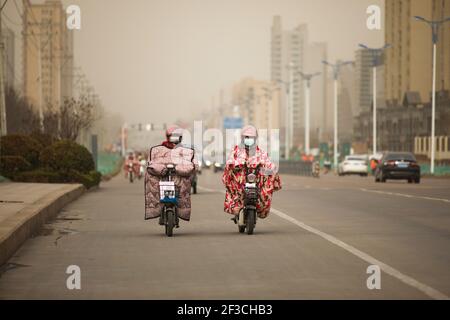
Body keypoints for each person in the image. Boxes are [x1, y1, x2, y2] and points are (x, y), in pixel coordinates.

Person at [222, 125, 281, 221]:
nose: (249, 139)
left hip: (255, 180)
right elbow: (230, 161)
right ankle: (236, 206)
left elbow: (267, 162)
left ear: (255, 138)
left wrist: (271, 168)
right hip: (239, 181)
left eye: (251, 137)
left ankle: (261, 206)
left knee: (268, 180)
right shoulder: (236, 151)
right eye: (246, 137)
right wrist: (234, 165)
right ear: (242, 138)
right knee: (231, 178)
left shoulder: (260, 152)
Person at [144, 125, 198, 224]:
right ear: (167, 136)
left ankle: (178, 210)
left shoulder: (187, 151)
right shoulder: (157, 150)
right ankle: (159, 209)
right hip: (162, 178)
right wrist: (160, 169)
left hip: (179, 179)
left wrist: (180, 169)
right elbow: (151, 164)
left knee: (183, 188)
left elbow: (193, 165)